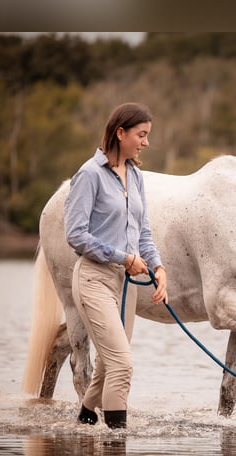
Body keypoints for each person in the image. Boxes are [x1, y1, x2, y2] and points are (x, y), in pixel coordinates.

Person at [65, 102, 168, 429]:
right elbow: (75, 234)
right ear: (119, 132)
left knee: (109, 366)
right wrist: (123, 258)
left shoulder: (135, 175)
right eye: (141, 134)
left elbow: (144, 232)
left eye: (147, 135)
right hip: (93, 280)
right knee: (122, 364)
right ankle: (116, 444)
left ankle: (84, 422)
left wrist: (158, 267)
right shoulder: (89, 175)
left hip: (124, 285)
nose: (146, 142)